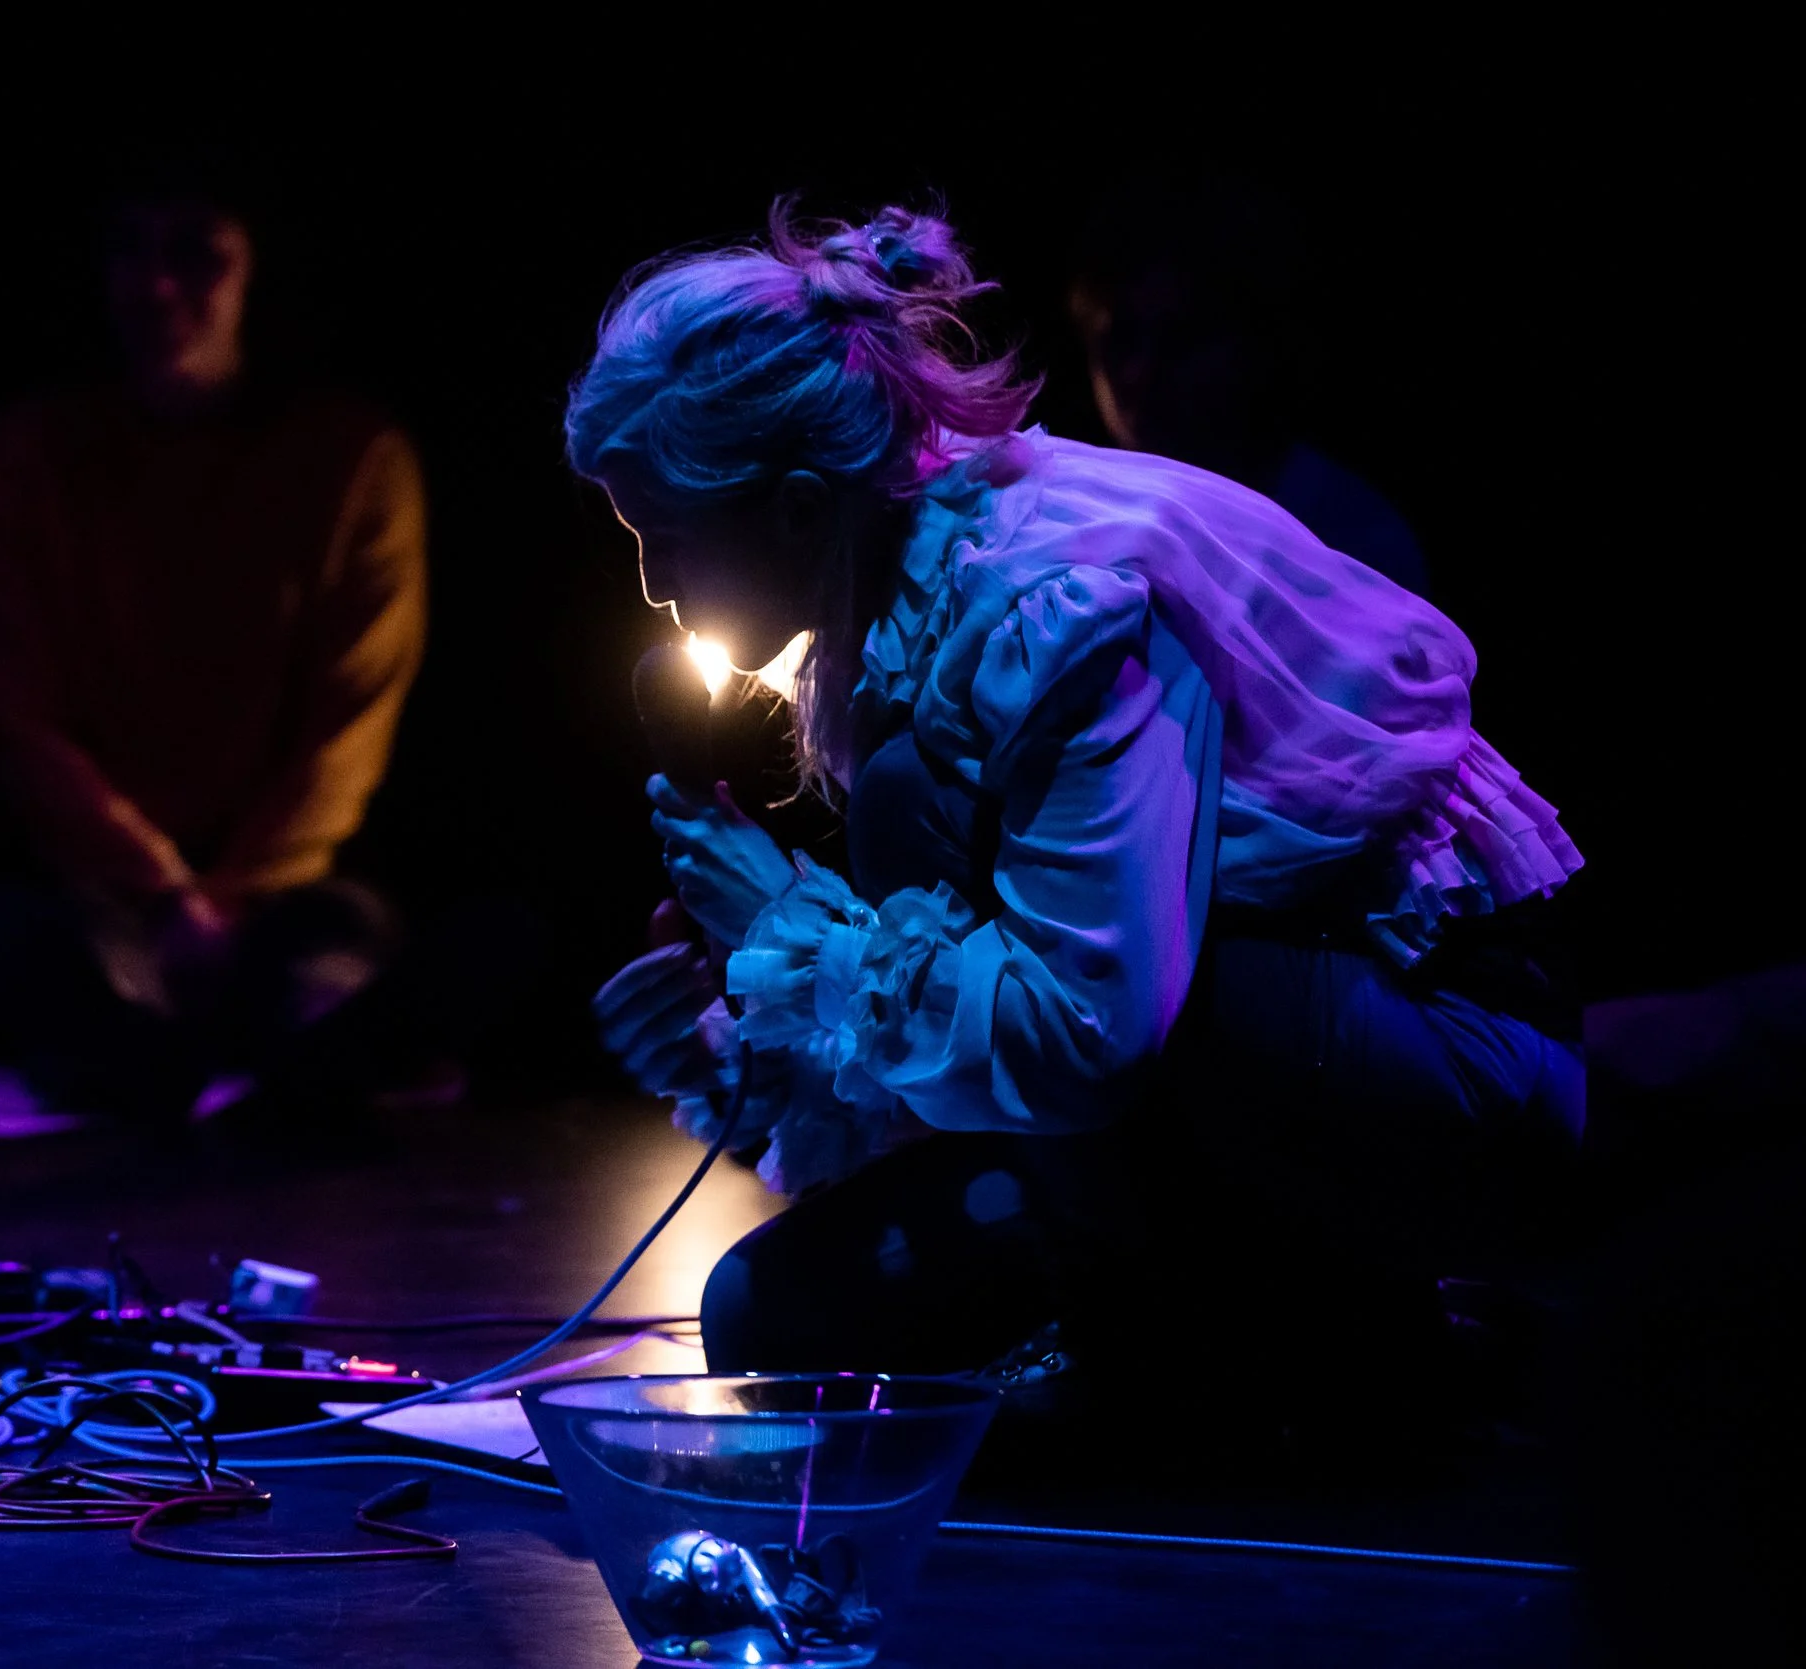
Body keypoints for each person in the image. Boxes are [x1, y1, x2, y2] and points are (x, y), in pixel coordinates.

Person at [574, 202, 1584, 1454]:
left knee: (920, 824)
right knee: (772, 1319)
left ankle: (1351, 1347)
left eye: (663, 539)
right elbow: (964, 1002)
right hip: (1174, 1093)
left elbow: (1088, 1032)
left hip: (1428, 1063)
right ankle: (1187, 1345)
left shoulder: (1049, 597)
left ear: (791, 507)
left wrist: (782, 916)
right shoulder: (890, 596)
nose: (654, 586)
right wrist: (728, 1045)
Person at [0, 181, 431, 1124]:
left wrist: (231, 896)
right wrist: (163, 890)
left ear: (259, 272)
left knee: (342, 947)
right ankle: (152, 1039)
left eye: (197, 253)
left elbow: (349, 727)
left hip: (284, 891)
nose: (159, 286)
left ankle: (297, 1035)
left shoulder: (354, 459)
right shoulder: (30, 455)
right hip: (104, 892)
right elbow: (21, 713)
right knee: (18, 934)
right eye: (131, 249)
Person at [1069, 171, 1433, 598]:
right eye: (1121, 339)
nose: (1142, 371)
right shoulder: (1075, 524)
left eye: (1182, 338)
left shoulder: (1353, 544)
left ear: (1257, 342)